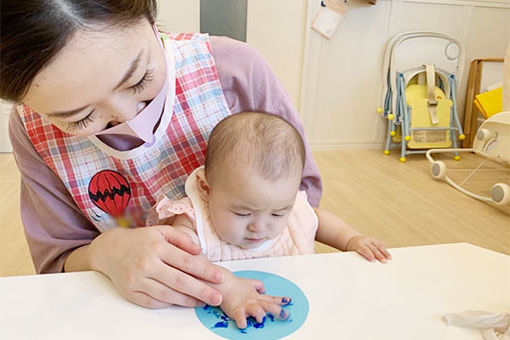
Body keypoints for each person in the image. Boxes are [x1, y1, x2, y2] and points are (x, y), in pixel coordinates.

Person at [0, 1, 322, 310]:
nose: (128, 117)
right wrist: (105, 252)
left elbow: (300, 196)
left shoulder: (233, 70)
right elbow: (57, 261)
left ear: (150, 16)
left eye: (139, 79)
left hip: (259, 289)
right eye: (81, 117)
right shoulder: (33, 131)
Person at [147, 112, 392, 328]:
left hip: (295, 316)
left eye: (277, 213)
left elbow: (317, 219)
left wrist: (352, 240)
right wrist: (228, 288)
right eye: (243, 213)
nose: (260, 227)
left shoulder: (293, 212)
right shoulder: (194, 219)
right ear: (207, 188)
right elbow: (180, 258)